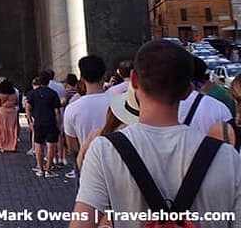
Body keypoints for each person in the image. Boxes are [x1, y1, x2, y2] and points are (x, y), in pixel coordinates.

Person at [71, 40, 241, 228]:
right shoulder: (227, 157)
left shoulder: (104, 150)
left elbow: (82, 224)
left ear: (134, 81)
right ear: (188, 91)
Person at [63, 55, 110, 179]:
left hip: (87, 166)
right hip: (117, 165)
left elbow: (72, 146)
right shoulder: (119, 103)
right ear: (105, 76)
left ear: (82, 78)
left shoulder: (72, 108)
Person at [25, 73, 61, 177]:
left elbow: (27, 106)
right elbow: (57, 111)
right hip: (51, 122)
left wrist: (30, 121)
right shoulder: (53, 93)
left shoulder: (32, 93)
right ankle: (48, 170)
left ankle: (40, 169)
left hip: (38, 122)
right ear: (48, 82)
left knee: (38, 145)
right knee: (51, 146)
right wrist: (59, 125)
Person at [0, 79, 19, 152]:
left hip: (3, 112)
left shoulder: (0, 95)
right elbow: (16, 103)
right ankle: (12, 145)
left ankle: (2, 145)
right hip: (12, 112)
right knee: (12, 129)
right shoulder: (14, 95)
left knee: (2, 129)